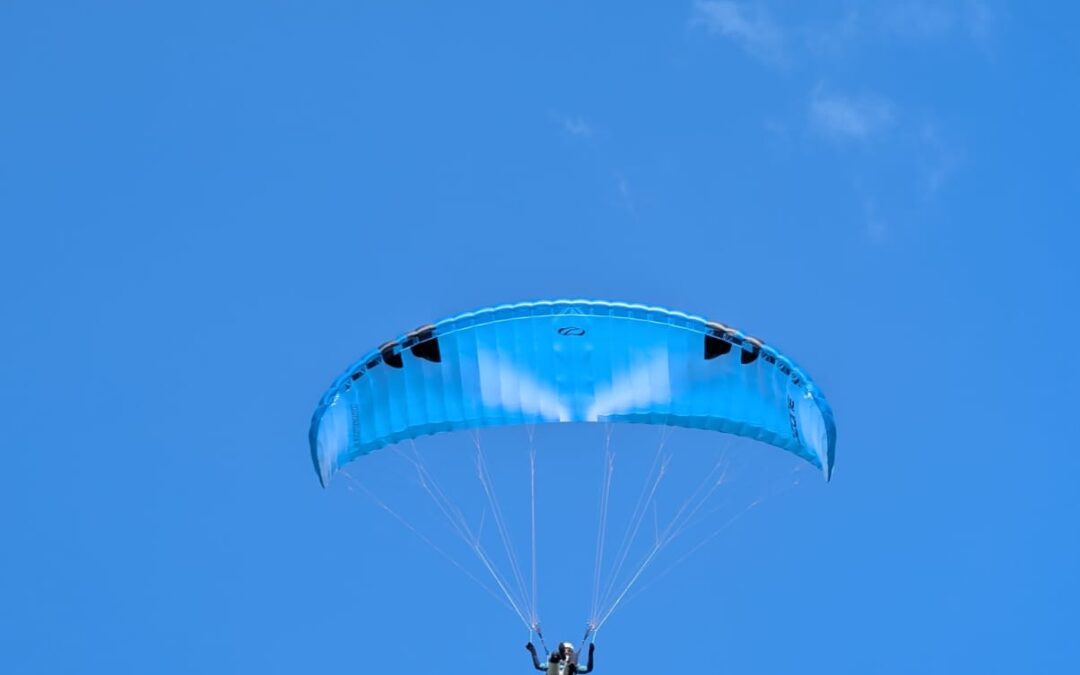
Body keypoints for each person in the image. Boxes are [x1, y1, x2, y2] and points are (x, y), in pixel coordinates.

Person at [526, 640, 595, 674]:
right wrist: (533, 651)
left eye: (569, 651)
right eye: (565, 650)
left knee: (573, 660)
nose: (567, 652)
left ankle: (570, 668)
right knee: (554, 654)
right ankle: (557, 657)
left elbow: (588, 669)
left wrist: (590, 653)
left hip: (568, 671)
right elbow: (538, 666)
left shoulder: (575, 663)